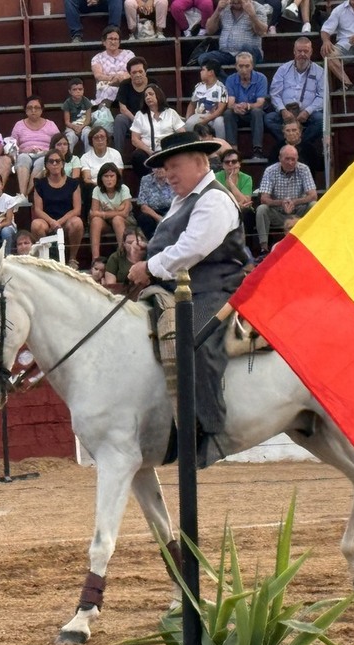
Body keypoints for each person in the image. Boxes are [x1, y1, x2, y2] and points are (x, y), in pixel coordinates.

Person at [126, 131, 251, 468]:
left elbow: (192, 249)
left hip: (217, 289)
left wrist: (149, 266)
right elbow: (176, 245)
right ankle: (168, 425)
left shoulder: (214, 199)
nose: (168, 175)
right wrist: (147, 252)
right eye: (165, 169)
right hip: (181, 291)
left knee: (194, 341)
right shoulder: (185, 198)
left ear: (199, 162)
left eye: (174, 166)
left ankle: (209, 432)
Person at [255, 144, 317, 254]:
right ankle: (263, 248)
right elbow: (264, 198)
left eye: (293, 159)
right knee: (261, 209)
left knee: (314, 205)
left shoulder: (304, 169)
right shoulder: (270, 171)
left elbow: (313, 195)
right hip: (278, 213)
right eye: (287, 159)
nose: (290, 162)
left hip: (298, 212)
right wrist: (281, 203)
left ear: (297, 158)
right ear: (280, 158)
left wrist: (295, 202)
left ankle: (313, 242)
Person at [265, 37, 325, 147]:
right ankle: (288, 141)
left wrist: (307, 111)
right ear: (294, 51)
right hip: (286, 113)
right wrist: (283, 110)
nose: (302, 54)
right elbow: (274, 93)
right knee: (269, 119)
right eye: (299, 51)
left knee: (321, 120)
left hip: (307, 114)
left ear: (311, 52)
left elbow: (322, 96)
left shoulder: (319, 71)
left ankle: (301, 144)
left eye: (306, 51)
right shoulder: (283, 69)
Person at [32, 151, 85, 265]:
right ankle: (47, 258)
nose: (55, 164)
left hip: (66, 220)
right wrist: (52, 222)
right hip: (47, 220)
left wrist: (60, 222)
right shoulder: (40, 184)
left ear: (63, 164)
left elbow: (77, 209)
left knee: (77, 222)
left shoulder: (73, 183)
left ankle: (72, 259)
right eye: (51, 161)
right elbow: (38, 209)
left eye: (58, 161)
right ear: (46, 165)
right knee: (36, 225)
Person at [130, 84, 186, 176]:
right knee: (137, 156)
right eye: (146, 95)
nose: (148, 97)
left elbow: (182, 134)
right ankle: (148, 183)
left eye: (151, 94)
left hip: (167, 151)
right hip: (148, 152)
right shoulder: (140, 115)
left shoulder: (170, 113)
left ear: (158, 95)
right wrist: (149, 151)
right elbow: (134, 139)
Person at [11, 95, 60, 198]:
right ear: (25, 110)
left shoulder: (51, 125)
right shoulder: (19, 125)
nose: (33, 110)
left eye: (36, 108)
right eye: (30, 108)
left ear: (42, 110)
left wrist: (47, 152)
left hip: (44, 155)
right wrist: (23, 151)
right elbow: (12, 146)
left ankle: (25, 195)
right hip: (25, 154)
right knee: (22, 158)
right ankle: (22, 194)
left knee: (42, 162)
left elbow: (58, 144)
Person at [222, 51, 268, 160]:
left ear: (252, 66)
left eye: (247, 66)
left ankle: (257, 150)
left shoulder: (261, 78)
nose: (244, 70)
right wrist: (235, 107)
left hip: (254, 112)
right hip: (238, 113)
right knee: (228, 113)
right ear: (236, 66)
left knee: (256, 111)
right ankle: (232, 149)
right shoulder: (231, 79)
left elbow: (260, 102)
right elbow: (230, 103)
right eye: (240, 66)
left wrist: (248, 106)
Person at [199, 0, 268, 68]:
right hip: (226, 53)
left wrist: (252, 15)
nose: (235, 1)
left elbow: (261, 32)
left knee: (246, 48)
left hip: (249, 53)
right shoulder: (224, 7)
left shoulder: (258, 8)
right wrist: (218, 10)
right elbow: (209, 31)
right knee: (204, 58)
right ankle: (227, 78)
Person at [89, 162, 132, 260]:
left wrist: (103, 213)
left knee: (117, 219)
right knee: (96, 221)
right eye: (106, 176)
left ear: (117, 177)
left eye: (112, 176)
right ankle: (95, 259)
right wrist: (117, 210)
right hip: (106, 223)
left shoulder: (124, 189)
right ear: (101, 178)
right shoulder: (97, 190)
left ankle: (123, 256)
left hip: (125, 221)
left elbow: (125, 213)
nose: (109, 179)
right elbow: (94, 213)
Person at [113, 56, 150, 154]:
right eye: (134, 72)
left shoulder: (153, 84)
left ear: (145, 72)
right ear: (130, 74)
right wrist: (137, 121)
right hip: (131, 120)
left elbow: (157, 105)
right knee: (119, 119)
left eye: (140, 71)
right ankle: (118, 156)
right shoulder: (125, 85)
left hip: (149, 119)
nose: (137, 74)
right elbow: (123, 108)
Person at [184, 61, 229, 139]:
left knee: (220, 122)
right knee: (189, 123)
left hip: (214, 116)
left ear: (211, 72)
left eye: (203, 70)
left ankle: (221, 146)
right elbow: (192, 104)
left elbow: (221, 109)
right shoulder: (198, 86)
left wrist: (208, 118)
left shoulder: (221, 88)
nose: (200, 72)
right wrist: (187, 118)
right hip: (199, 115)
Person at [91, 26, 135, 105]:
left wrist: (121, 78)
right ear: (104, 41)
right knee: (108, 90)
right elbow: (98, 75)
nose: (113, 42)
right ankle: (103, 115)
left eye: (116, 39)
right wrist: (112, 78)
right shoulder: (97, 58)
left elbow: (133, 71)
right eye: (110, 39)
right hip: (107, 85)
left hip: (126, 84)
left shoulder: (129, 54)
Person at [135, 164, 173, 237]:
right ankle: (152, 243)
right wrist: (158, 218)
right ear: (152, 169)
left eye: (162, 166)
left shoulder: (173, 178)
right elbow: (143, 206)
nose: (159, 169)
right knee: (144, 218)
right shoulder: (146, 180)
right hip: (153, 212)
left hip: (171, 210)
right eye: (156, 167)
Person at [62, 78, 95, 153]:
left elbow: (88, 119)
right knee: (70, 136)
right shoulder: (67, 103)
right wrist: (75, 127)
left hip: (84, 125)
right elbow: (67, 121)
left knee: (88, 134)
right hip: (71, 127)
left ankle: (89, 156)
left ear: (83, 90)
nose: (78, 91)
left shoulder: (86, 101)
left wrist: (81, 127)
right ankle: (68, 158)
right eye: (75, 89)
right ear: (70, 91)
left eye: (80, 89)